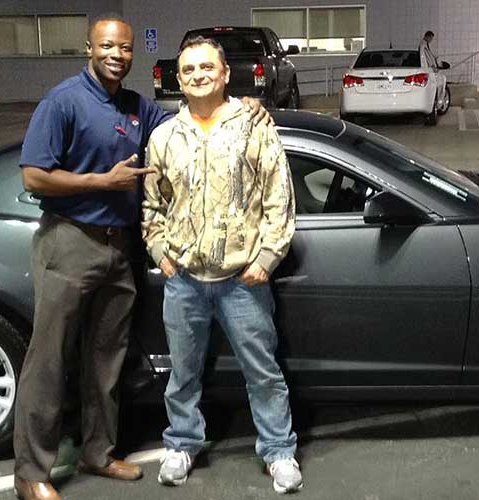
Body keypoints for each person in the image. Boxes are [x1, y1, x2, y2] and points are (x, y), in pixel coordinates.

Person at [13, 13, 271, 500]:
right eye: (107, 46)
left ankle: (97, 450)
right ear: (90, 48)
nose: (116, 55)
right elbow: (33, 176)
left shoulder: (136, 107)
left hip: (120, 246)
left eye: (126, 48)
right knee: (48, 361)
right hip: (70, 240)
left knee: (106, 360)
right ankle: (30, 472)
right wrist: (99, 182)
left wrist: (245, 105)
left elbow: (193, 120)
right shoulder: (63, 101)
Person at [141, 36, 301, 494]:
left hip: (242, 283)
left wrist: (266, 260)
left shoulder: (253, 125)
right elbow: (152, 205)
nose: (197, 75)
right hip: (185, 281)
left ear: (225, 73)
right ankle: (182, 443)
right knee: (183, 372)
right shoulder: (164, 137)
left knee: (263, 372)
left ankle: (279, 451)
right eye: (188, 70)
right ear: (179, 78)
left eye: (206, 67)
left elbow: (279, 199)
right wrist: (160, 254)